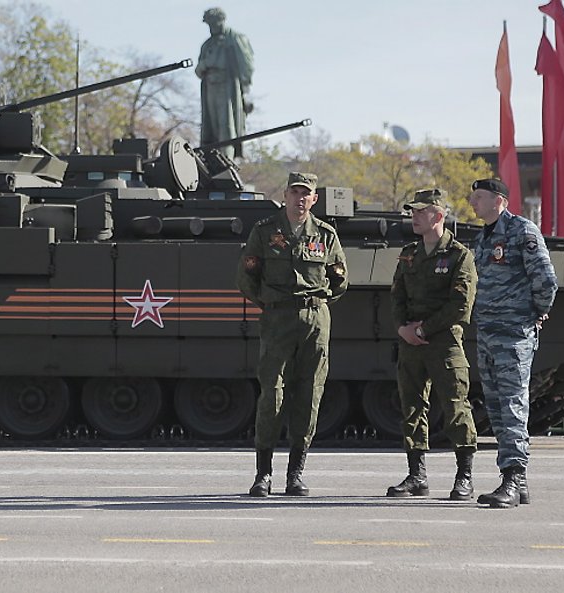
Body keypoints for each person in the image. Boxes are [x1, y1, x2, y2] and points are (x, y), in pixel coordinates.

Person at [236, 172, 347, 497]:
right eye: (295, 192)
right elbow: (246, 277)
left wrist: (317, 303)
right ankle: (263, 474)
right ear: (284, 195)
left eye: (306, 194)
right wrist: (271, 303)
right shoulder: (265, 231)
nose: (300, 198)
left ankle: (295, 474)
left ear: (314, 199)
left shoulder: (325, 235)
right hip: (278, 319)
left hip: (314, 319)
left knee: (310, 395)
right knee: (273, 394)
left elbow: (339, 279)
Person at [468, 178, 558, 509]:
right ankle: (517, 484)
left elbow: (546, 280)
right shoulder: (483, 238)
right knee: (496, 408)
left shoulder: (522, 231)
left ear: (500, 200)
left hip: (513, 334)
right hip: (489, 333)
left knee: (511, 406)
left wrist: (536, 313)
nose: (472, 202)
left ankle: (513, 477)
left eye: (479, 197)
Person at [387, 188, 479, 500]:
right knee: (411, 407)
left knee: (455, 406)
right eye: (412, 211)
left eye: (421, 211)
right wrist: (402, 329)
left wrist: (424, 328)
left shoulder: (459, 256)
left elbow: (460, 306)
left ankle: (464, 475)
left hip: (443, 342)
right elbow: (397, 295)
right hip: (411, 342)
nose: (414, 216)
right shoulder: (409, 253)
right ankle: (417, 475)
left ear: (438, 215)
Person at [195, 7, 254, 160]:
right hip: (210, 87)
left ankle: (227, 161)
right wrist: (205, 64)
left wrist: (246, 92)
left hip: (228, 87)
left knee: (227, 127)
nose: (212, 28)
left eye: (214, 23)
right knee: (211, 129)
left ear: (221, 21)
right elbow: (198, 70)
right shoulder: (207, 45)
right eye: (209, 24)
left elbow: (246, 66)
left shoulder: (234, 39)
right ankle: (212, 162)